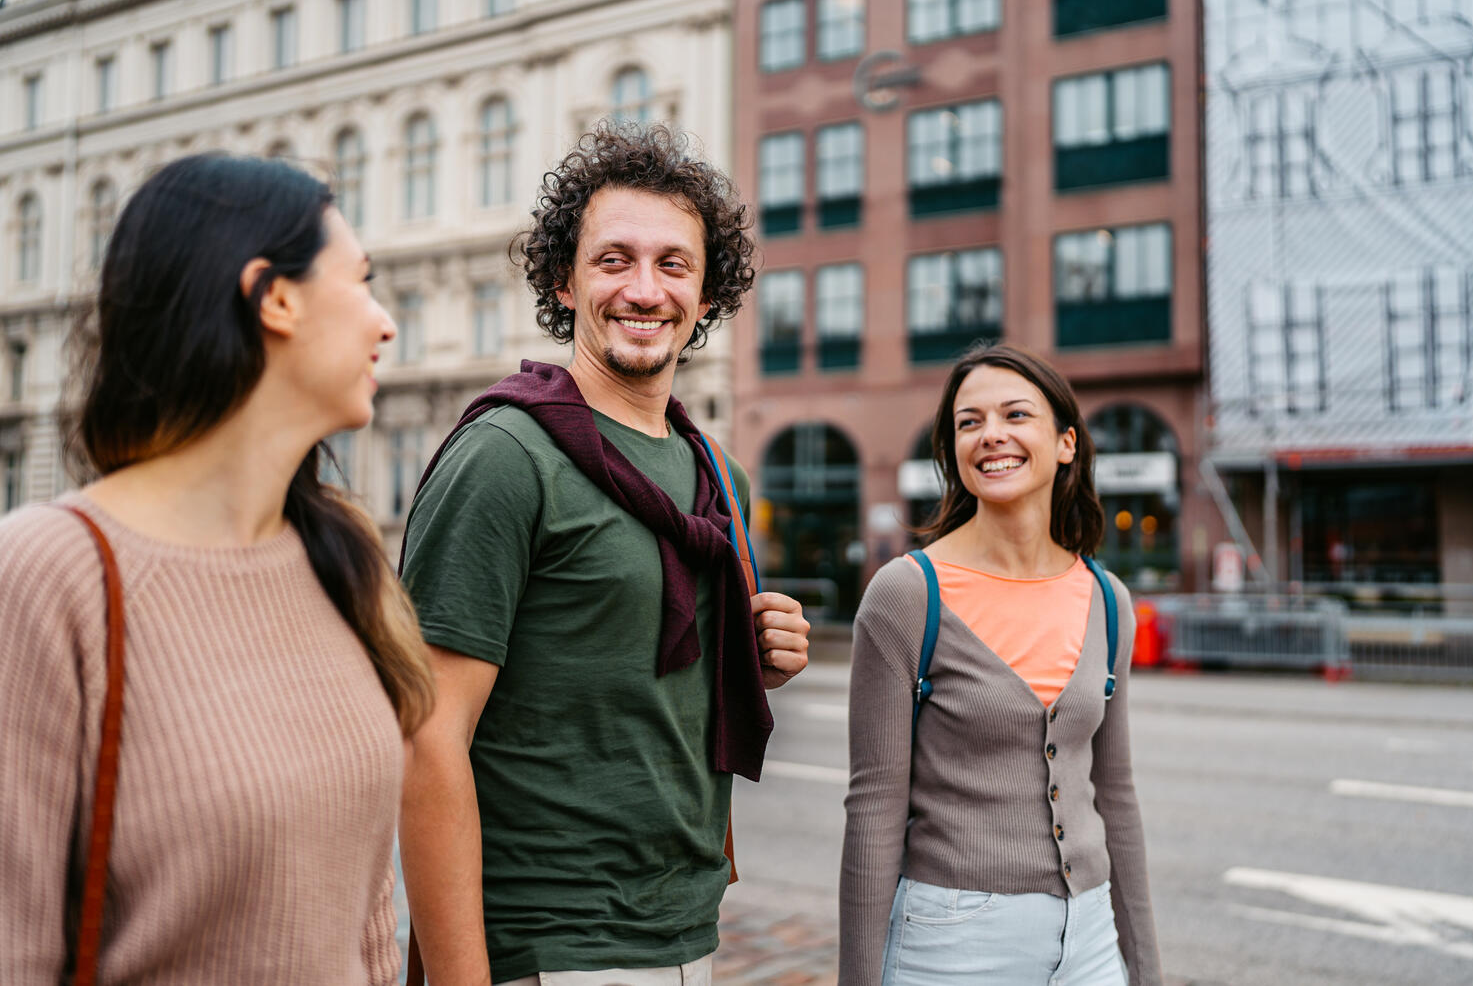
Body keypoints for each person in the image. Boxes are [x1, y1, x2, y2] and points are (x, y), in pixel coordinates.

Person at [0, 154, 434, 983]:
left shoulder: (342, 554)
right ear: (274, 297)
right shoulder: (48, 575)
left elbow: (367, 913)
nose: (386, 322)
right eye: (363, 282)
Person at [398, 123, 810, 986]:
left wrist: (754, 654)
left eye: (673, 264)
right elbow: (426, 741)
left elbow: (635, 672)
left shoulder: (717, 474)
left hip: (688, 930)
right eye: (613, 259)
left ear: (707, 294)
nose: (644, 288)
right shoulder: (507, 456)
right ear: (565, 279)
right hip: (548, 943)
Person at [839, 343, 1162, 985]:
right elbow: (874, 807)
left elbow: (1115, 795)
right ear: (952, 452)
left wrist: (1144, 968)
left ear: (1065, 443)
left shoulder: (1107, 598)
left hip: (1092, 937)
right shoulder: (907, 594)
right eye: (969, 422)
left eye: (1016, 415)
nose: (992, 436)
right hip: (955, 940)